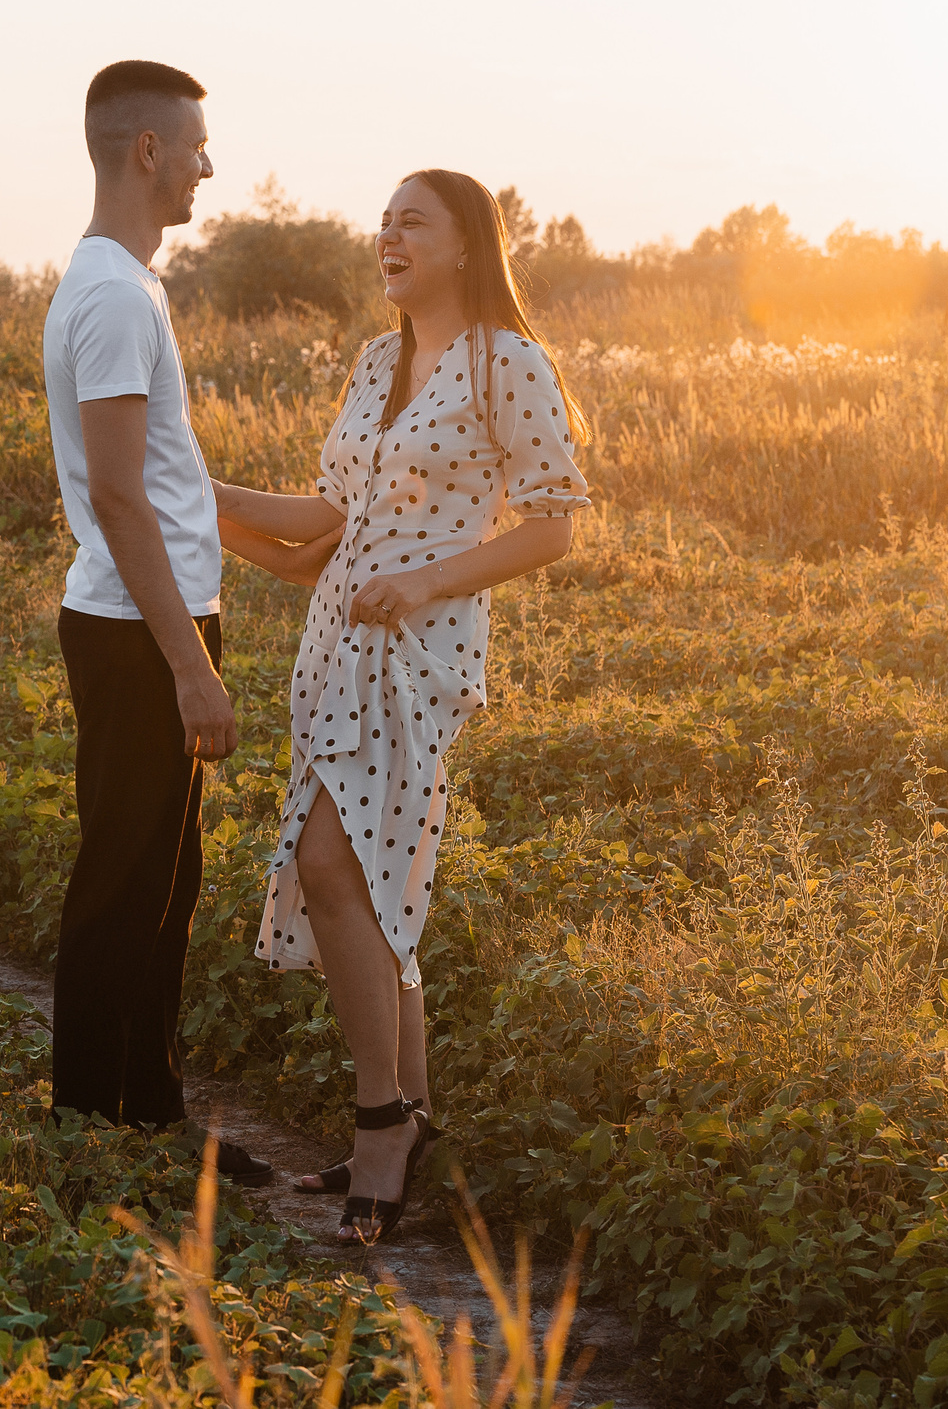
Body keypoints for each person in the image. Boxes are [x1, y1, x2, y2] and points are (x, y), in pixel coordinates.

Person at [212, 169, 589, 1244]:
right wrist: (207, 491)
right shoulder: (379, 360)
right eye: (382, 221)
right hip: (333, 644)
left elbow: (555, 524)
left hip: (417, 652)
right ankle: (409, 1112)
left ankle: (383, 1118)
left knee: (335, 867)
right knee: (375, 875)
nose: (387, 235)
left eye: (410, 221)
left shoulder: (505, 363)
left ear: (467, 245)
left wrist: (425, 582)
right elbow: (323, 523)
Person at [40, 59, 272, 1184]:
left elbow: (165, 483)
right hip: (141, 633)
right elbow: (123, 496)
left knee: (162, 879)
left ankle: (143, 1106)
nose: (206, 166)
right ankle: (97, 1123)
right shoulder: (116, 295)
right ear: (144, 151)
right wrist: (191, 667)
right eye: (193, 147)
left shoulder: (120, 286)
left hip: (146, 621)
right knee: (127, 877)